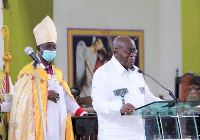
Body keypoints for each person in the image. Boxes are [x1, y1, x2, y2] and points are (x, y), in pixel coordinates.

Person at [8, 15, 87, 140]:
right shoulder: (28, 73)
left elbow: (67, 97)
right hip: (40, 125)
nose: (52, 49)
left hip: (58, 123)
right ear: (39, 48)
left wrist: (80, 112)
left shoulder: (58, 73)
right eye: (48, 46)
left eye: (54, 47)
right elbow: (21, 101)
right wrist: (45, 94)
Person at [91, 36, 162, 140]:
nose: (133, 55)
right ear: (115, 52)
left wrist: (167, 105)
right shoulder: (103, 73)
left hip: (139, 135)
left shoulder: (136, 72)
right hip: (116, 136)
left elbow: (147, 98)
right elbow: (98, 104)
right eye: (128, 51)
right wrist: (119, 108)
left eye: (134, 51)